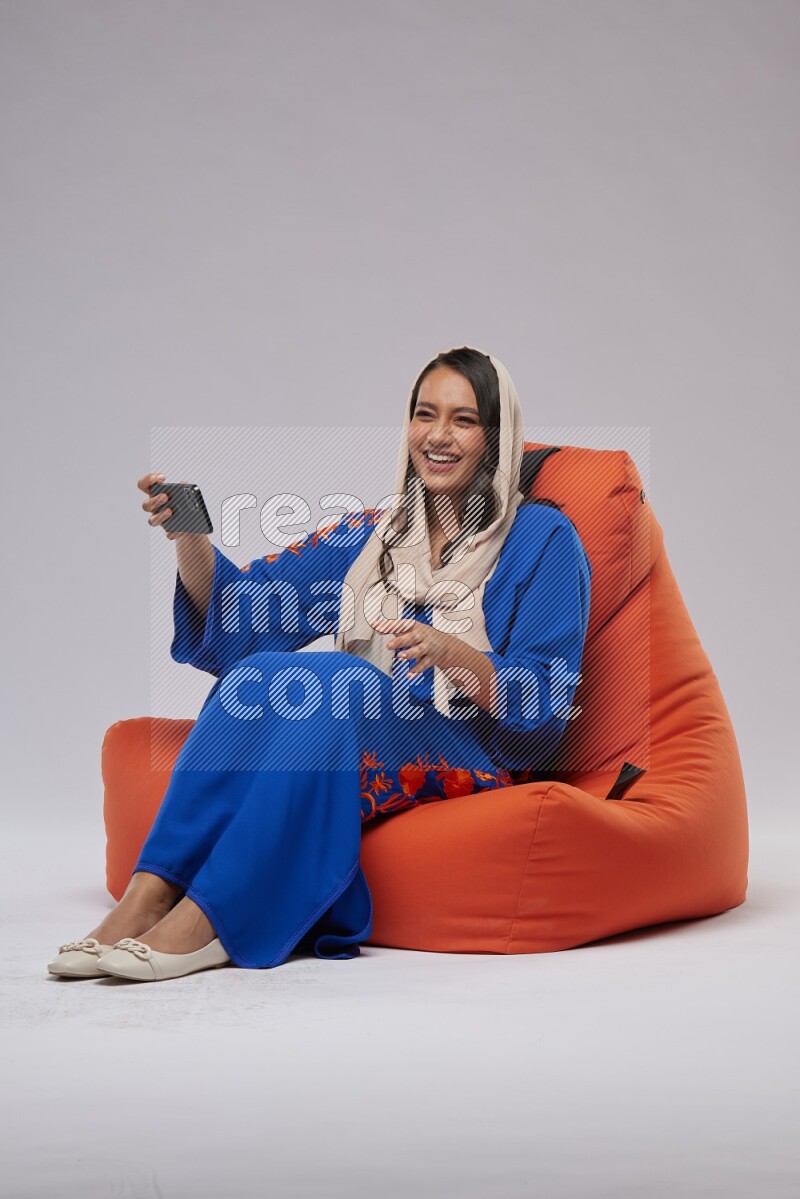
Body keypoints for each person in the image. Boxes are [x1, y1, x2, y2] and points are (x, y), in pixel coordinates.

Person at [47, 345, 592, 983]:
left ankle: (213, 920)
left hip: (475, 750)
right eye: (425, 414)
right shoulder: (377, 534)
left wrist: (455, 654)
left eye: (464, 420)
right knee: (260, 675)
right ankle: (149, 893)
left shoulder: (547, 540)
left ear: (497, 438)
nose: (438, 436)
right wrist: (190, 539)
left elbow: (548, 704)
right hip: (367, 718)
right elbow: (242, 619)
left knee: (341, 682)